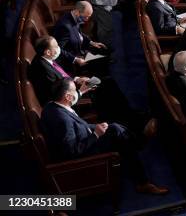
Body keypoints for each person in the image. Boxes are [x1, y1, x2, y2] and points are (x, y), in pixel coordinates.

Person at [41, 78, 169, 195]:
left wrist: (96, 127)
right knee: (118, 132)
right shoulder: (62, 120)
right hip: (84, 155)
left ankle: (137, 143)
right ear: (68, 97)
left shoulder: (52, 105)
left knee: (114, 127)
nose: (77, 92)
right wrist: (96, 134)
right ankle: (143, 181)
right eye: (75, 90)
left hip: (84, 137)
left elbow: (78, 126)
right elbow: (71, 151)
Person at [27, 35, 93, 105]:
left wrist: (76, 79)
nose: (59, 48)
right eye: (56, 46)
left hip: (69, 85)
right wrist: (81, 91)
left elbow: (61, 74)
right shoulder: (45, 71)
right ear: (48, 52)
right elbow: (59, 99)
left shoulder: (45, 57)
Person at [53, 1, 107, 69]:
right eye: (85, 17)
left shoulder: (74, 17)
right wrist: (75, 59)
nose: (87, 20)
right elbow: (58, 49)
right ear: (77, 12)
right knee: (104, 61)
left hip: (81, 48)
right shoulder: (64, 26)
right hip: (73, 57)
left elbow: (79, 34)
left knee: (104, 50)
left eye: (88, 17)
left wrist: (92, 42)